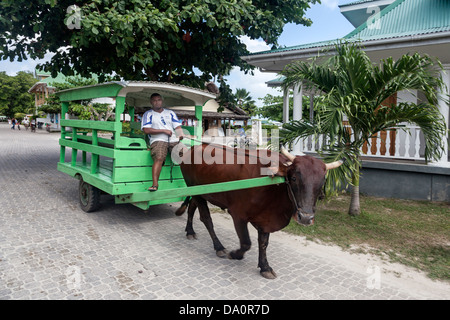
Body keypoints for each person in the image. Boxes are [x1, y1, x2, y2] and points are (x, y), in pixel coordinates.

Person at [141, 93, 184, 192]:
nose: (157, 102)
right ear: (151, 102)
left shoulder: (170, 113)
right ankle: (155, 184)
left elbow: (177, 127)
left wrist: (180, 134)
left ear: (162, 101)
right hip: (157, 139)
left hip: (172, 139)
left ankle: (190, 181)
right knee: (159, 156)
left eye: (159, 100)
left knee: (185, 156)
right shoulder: (148, 114)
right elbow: (146, 130)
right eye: (154, 100)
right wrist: (163, 131)